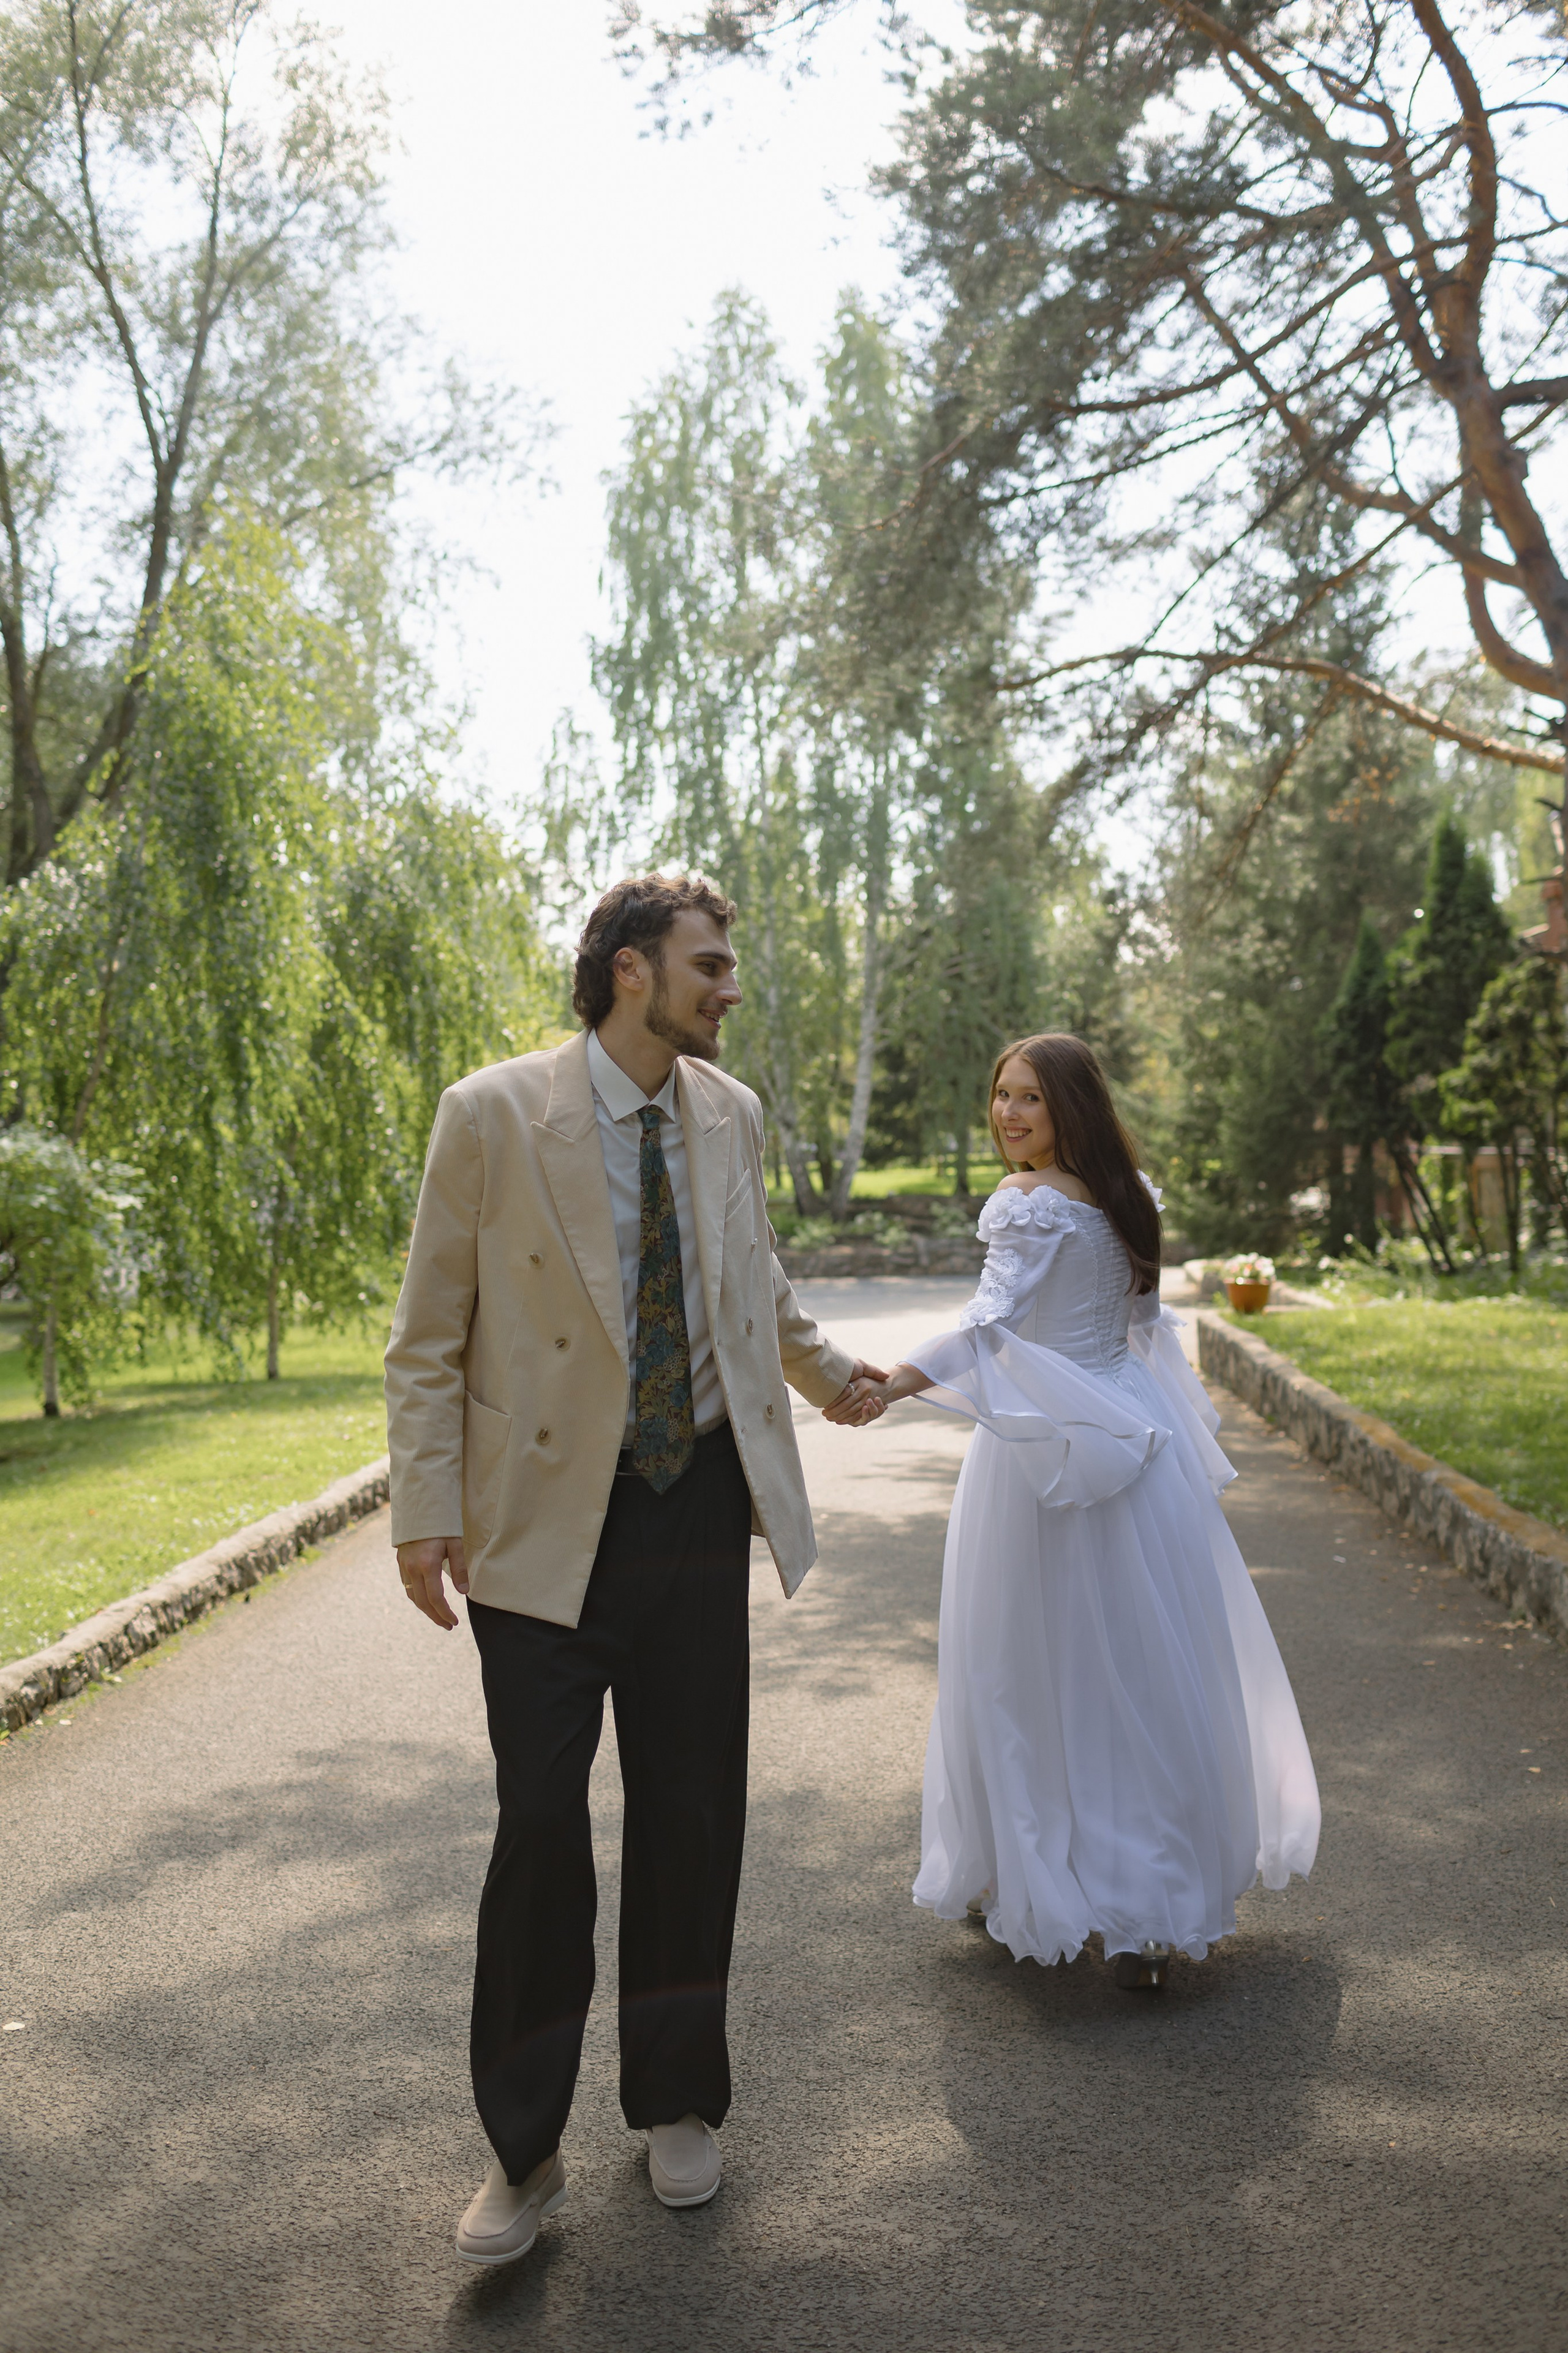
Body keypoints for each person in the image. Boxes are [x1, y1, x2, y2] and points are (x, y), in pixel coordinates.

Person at [385, 872, 886, 2265]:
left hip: (691, 1504)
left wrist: (836, 1376)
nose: (729, 988)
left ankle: (675, 2097)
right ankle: (520, 2150)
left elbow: (752, 1280)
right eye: (708, 965)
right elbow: (427, 1333)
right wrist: (423, 1511)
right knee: (539, 1827)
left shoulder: (727, 1114)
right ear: (626, 973)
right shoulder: (491, 1114)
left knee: (689, 1813)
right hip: (541, 1529)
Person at [827, 1033, 1320, 1985]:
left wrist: (893, 1385)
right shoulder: (1129, 1198)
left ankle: (1033, 1871)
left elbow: (988, 1325)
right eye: (1001, 1096)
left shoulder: (1025, 1204)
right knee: (1138, 1672)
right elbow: (1144, 1337)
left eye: (1030, 1100)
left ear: (1070, 1109)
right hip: (1134, 1443)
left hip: (1046, 1461)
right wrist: (1156, 1433)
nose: (1010, 1115)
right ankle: (1155, 1904)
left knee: (1026, 1669)